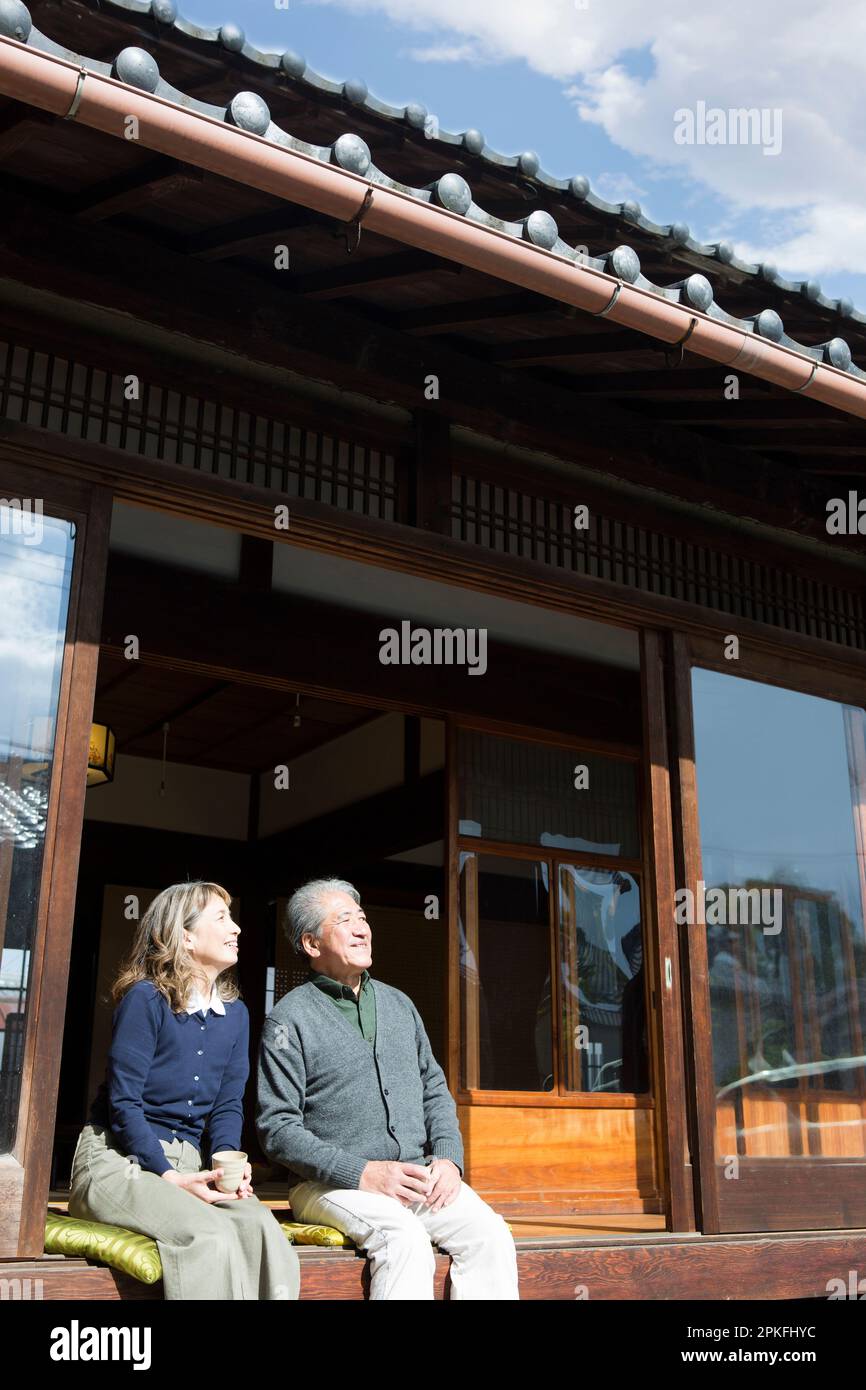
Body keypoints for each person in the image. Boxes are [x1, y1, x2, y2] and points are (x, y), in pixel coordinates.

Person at [256, 877, 519, 1301]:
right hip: (328, 1186)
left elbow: (433, 1086)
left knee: (490, 1235)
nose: (362, 928)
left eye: (362, 918)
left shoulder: (399, 1004)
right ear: (310, 943)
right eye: (345, 920)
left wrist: (449, 1159)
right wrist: (362, 1172)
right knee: (405, 1241)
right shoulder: (289, 1020)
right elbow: (277, 1129)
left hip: (416, 1176)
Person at [69, 880, 300, 1301]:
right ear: (185, 936)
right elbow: (124, 1103)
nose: (237, 929)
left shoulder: (236, 1015)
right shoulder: (146, 1000)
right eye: (221, 918)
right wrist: (170, 1174)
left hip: (194, 1166)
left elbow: (229, 1104)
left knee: (263, 1229)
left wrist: (228, 1164)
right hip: (117, 1161)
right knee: (208, 1235)